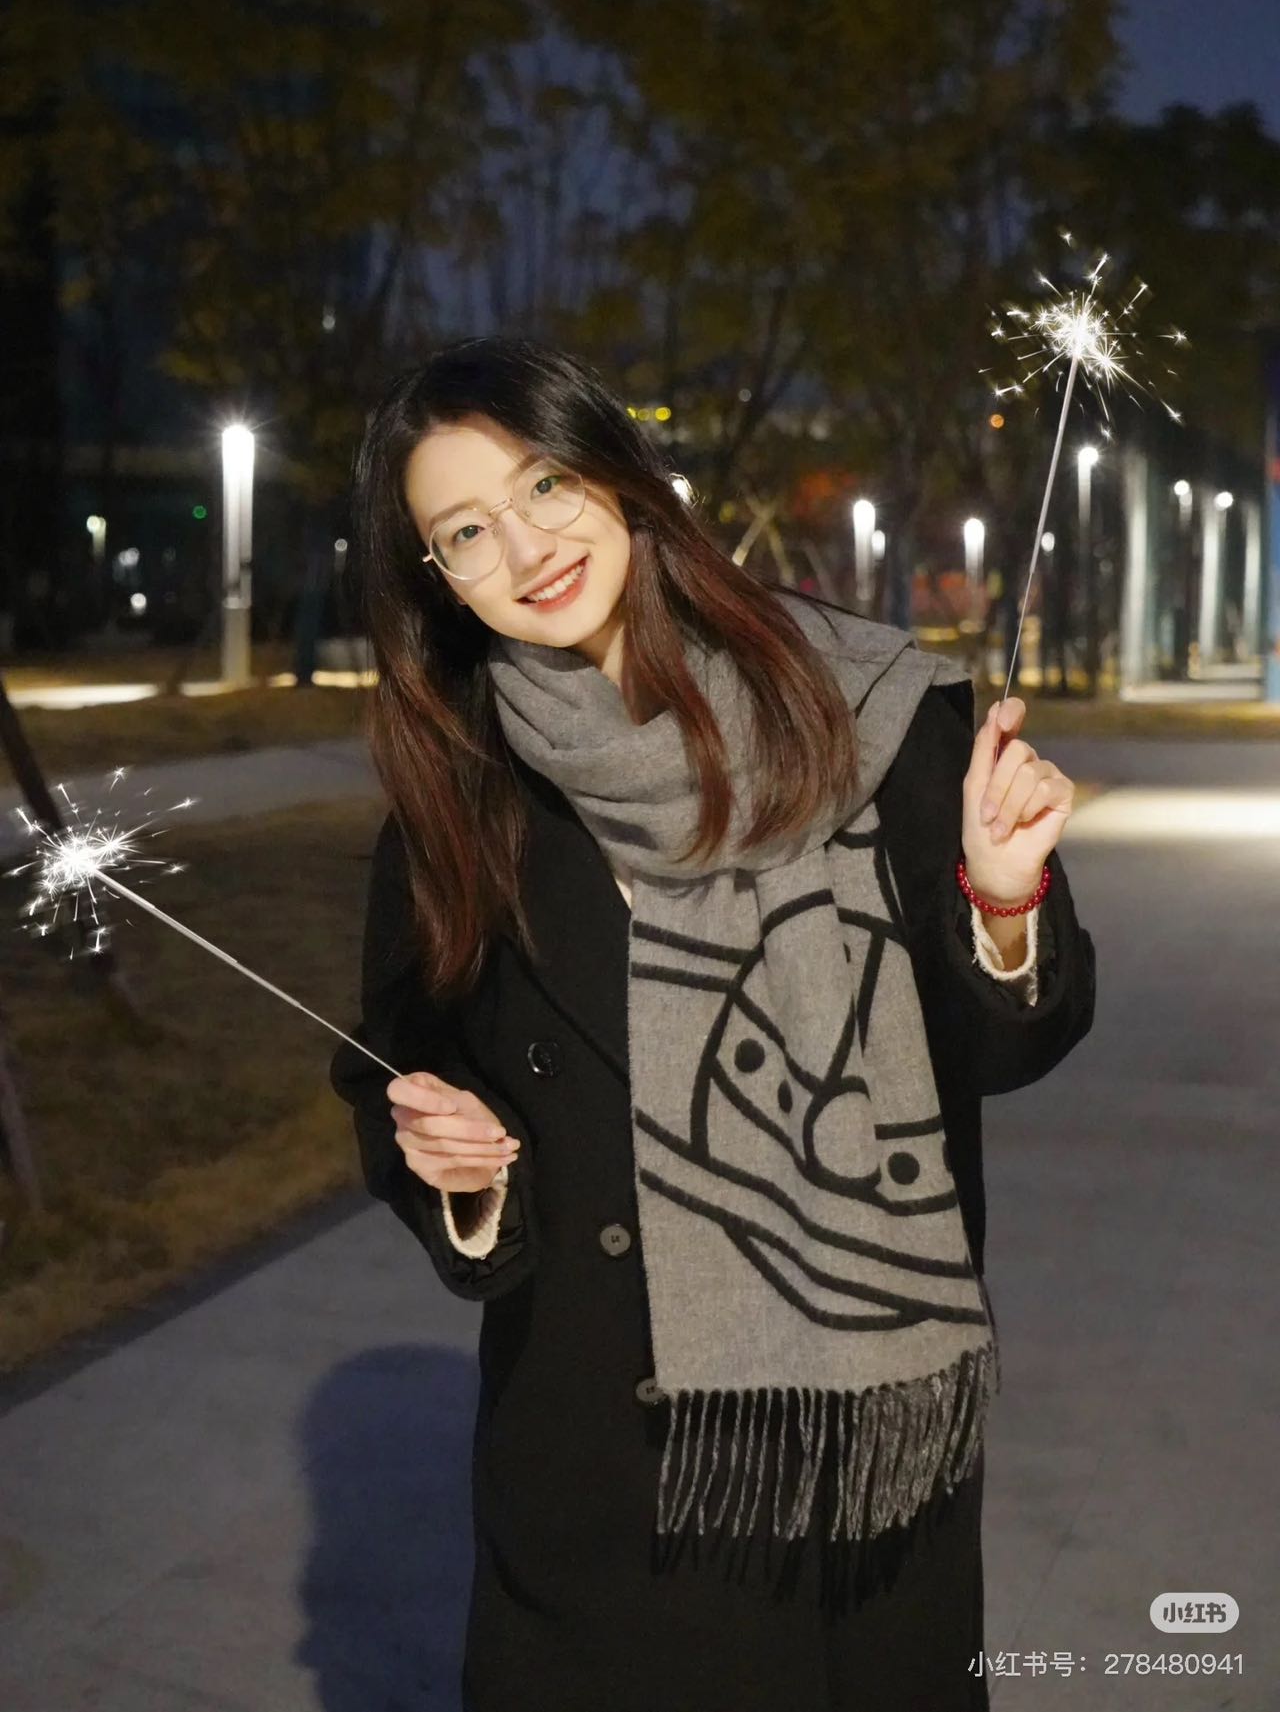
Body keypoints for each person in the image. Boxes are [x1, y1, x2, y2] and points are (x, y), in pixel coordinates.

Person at [329, 335, 1096, 1712]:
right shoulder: (461, 792)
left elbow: (1006, 1050)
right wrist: (458, 1177)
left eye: (546, 484)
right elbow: (397, 1067)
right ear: (435, 574)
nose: (527, 546)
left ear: (618, 470)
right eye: (466, 530)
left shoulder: (873, 708)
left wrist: (1000, 898)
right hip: (601, 1501)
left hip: (864, 1486)